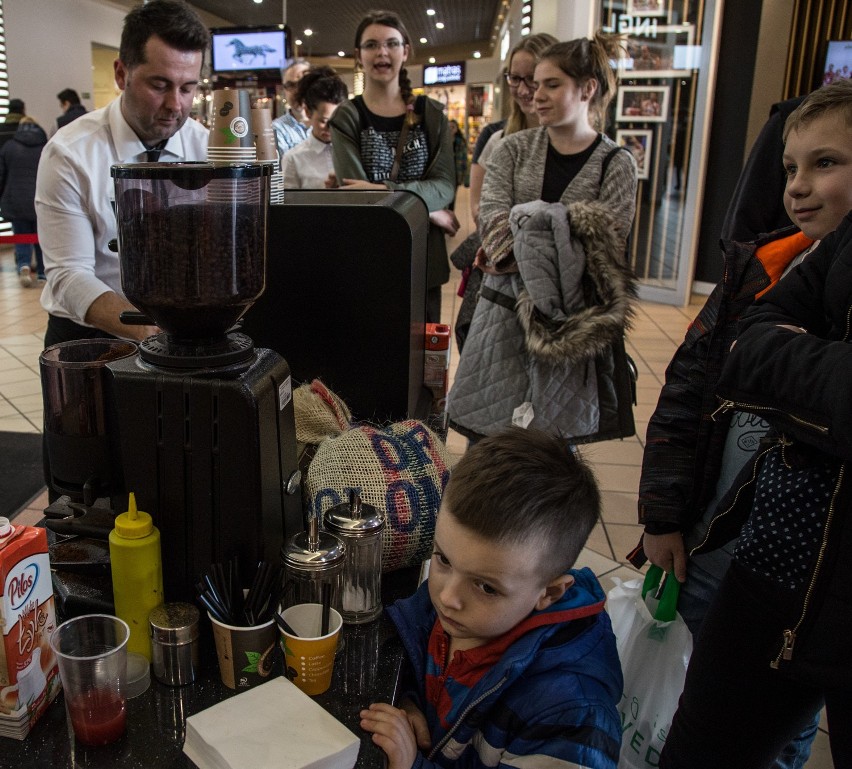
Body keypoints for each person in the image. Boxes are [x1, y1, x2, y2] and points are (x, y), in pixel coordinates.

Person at [631, 83, 852, 769]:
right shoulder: (765, 264)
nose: (799, 186)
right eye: (790, 167)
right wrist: (662, 510)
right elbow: (708, 374)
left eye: (827, 164)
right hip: (741, 549)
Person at [360, 426, 623, 769]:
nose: (448, 597)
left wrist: (413, 765)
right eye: (442, 559)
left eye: (485, 587)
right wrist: (408, 702)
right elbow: (414, 651)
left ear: (550, 592)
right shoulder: (449, 605)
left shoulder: (570, 716)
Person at [447, 34, 638, 443]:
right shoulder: (511, 150)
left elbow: (604, 254)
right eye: (535, 83)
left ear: (587, 88)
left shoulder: (615, 164)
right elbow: (494, 231)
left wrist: (525, 234)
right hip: (501, 319)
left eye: (552, 84)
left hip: (570, 327)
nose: (536, 94)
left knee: (553, 449)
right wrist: (563, 235)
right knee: (490, 443)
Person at [35, 0, 209, 346]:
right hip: (90, 336)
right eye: (159, 85)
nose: (176, 105)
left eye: (188, 88)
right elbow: (69, 275)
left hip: (184, 329)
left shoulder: (204, 148)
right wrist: (150, 331)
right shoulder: (70, 153)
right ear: (121, 74)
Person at [330, 9, 456, 325]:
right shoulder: (348, 117)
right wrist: (426, 209)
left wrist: (383, 190)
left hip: (425, 260)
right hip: (370, 258)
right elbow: (356, 196)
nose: (382, 52)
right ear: (359, 55)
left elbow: (444, 186)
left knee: (426, 364)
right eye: (371, 45)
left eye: (391, 43)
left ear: (405, 51)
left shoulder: (432, 115)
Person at [450, 35, 558, 354]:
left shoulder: (575, 144)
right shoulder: (496, 138)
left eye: (532, 78)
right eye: (515, 78)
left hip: (554, 289)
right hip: (498, 276)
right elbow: (480, 211)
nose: (524, 89)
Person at [282, 66, 347, 190]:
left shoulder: (353, 151)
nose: (330, 128)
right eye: (324, 121)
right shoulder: (294, 158)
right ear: (308, 112)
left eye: (338, 120)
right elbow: (289, 206)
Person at [0, 116, 47, 287]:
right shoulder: (45, 147)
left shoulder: (9, 147)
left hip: (16, 200)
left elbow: (1, 175)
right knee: (41, 239)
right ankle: (43, 273)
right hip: (39, 200)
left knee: (21, 237)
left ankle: (24, 266)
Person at [271, 58, 310, 165]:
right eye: (291, 85)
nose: (297, 90)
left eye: (302, 83)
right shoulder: (276, 129)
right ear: (284, 90)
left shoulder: (328, 124)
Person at [447, 119, 466, 208]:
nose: (450, 129)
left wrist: (464, 177)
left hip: (456, 172)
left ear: (457, 129)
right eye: (449, 127)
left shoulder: (460, 142)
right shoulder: (442, 141)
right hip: (445, 172)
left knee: (452, 196)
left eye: (453, 127)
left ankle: (451, 209)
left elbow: (464, 159)